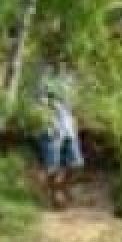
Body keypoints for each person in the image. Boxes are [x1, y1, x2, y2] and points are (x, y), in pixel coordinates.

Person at [37, 65, 84, 208]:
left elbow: (73, 100)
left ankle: (62, 188)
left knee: (76, 164)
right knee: (52, 166)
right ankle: (55, 194)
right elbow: (39, 102)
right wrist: (47, 120)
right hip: (51, 126)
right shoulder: (44, 73)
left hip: (68, 124)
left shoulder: (70, 73)